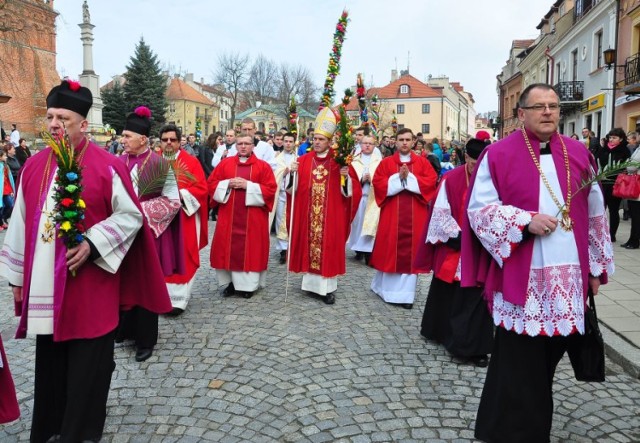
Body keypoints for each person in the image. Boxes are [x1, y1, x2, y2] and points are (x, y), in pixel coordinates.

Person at [0, 79, 172, 442]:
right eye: (49, 116)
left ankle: (81, 432)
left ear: (83, 124)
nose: (53, 124)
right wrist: (16, 275)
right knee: (51, 360)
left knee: (89, 365)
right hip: (47, 282)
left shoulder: (106, 165)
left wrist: (93, 242)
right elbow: (20, 218)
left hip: (91, 284)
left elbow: (130, 216)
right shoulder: (33, 166)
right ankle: (49, 427)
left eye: (63, 117)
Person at [461, 83, 614, 443]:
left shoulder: (579, 154)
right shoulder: (498, 155)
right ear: (522, 114)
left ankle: (525, 424)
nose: (548, 112)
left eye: (553, 106)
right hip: (524, 280)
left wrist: (596, 269)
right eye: (539, 106)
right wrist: (523, 221)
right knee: (519, 364)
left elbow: (596, 215)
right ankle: (519, 432)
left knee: (547, 361)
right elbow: (479, 210)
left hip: (568, 280)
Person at [416, 137, 493, 367]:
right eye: (472, 162)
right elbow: (440, 211)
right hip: (455, 244)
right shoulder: (451, 178)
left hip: (481, 249)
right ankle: (439, 331)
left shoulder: (493, 180)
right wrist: (456, 235)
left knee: (473, 298)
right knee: (447, 291)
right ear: (466, 157)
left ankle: (469, 347)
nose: (476, 167)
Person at [117, 106, 183, 362]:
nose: (123, 141)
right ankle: (125, 329)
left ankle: (146, 339)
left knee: (144, 284)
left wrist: (138, 213)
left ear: (143, 139)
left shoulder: (157, 164)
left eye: (127, 137)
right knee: (123, 282)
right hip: (120, 235)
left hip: (146, 235)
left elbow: (172, 200)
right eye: (123, 136)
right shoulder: (118, 162)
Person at [288, 107, 362, 304]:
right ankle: (310, 285)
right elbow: (291, 191)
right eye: (315, 139)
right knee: (309, 245)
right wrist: (291, 173)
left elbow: (353, 191)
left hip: (331, 216)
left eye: (321, 139)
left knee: (328, 247)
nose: (317, 142)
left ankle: (328, 289)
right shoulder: (302, 161)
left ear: (330, 142)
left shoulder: (339, 162)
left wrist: (346, 178)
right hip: (308, 214)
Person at [369, 128, 438, 309]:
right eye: (401, 139)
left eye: (408, 139)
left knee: (412, 253)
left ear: (414, 141)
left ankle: (405, 296)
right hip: (392, 215)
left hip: (415, 217)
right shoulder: (386, 163)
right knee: (389, 250)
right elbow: (378, 183)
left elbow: (431, 182)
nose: (405, 143)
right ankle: (384, 288)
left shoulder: (423, 163)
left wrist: (410, 178)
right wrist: (398, 179)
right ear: (396, 141)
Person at [208, 135, 277, 298]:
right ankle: (230, 283)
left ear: (253, 146)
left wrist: (248, 186)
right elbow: (211, 184)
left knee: (251, 249)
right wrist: (227, 184)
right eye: (240, 144)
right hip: (229, 216)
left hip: (253, 218)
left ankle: (248, 287)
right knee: (226, 247)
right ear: (235, 146)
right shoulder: (225, 164)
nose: (243, 147)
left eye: (247, 144)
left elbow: (270, 190)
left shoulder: (263, 166)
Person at [160, 124, 209, 315]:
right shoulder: (154, 161)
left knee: (181, 256)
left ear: (180, 142)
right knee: (160, 258)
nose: (169, 143)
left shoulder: (191, 162)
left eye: (173, 140)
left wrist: (181, 194)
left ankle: (178, 301)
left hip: (183, 219)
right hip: (160, 222)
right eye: (165, 140)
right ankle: (161, 297)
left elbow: (202, 189)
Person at [347, 135, 382, 264]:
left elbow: (383, 179)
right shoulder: (354, 161)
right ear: (360, 144)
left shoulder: (379, 161)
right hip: (358, 197)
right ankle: (358, 249)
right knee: (357, 224)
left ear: (374, 146)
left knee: (371, 224)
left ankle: (369, 252)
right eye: (365, 143)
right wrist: (361, 180)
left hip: (372, 199)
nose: (367, 145)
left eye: (370, 144)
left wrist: (371, 179)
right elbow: (350, 179)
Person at [592, 128, 631, 242]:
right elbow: (596, 162)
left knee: (613, 210)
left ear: (621, 139)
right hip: (602, 182)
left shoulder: (624, 150)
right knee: (600, 209)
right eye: (610, 137)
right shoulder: (603, 149)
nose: (611, 140)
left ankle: (612, 234)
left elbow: (625, 166)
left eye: (614, 138)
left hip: (616, 183)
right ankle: (599, 232)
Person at [272, 132, 298, 264]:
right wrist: (285, 172)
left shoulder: (299, 157)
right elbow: (273, 175)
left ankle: (292, 248)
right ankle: (283, 250)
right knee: (280, 221)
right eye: (286, 141)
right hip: (282, 193)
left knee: (293, 221)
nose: (288, 144)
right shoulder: (277, 158)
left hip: (294, 194)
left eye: (290, 141)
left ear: (294, 143)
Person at [621, 145, 640, 249]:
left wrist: (627, 163)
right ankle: (632, 239)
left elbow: (632, 167)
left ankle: (634, 241)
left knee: (636, 216)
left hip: (637, 187)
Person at [0, 149, 15, 229]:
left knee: (10, 205)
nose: (6, 157)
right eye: (4, 156)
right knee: (0, 207)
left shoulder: (6, 166)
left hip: (6, 189)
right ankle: (1, 223)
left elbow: (9, 179)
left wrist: (12, 190)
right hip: (0, 190)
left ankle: (3, 218)